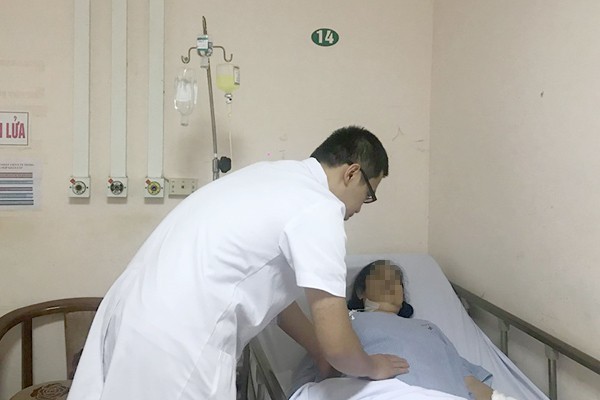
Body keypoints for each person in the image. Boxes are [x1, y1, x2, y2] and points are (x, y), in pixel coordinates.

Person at [67, 126, 409, 400]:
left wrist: (317, 350)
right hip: (180, 343)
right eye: (368, 195)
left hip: (135, 316)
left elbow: (271, 291)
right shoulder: (320, 207)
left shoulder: (270, 177)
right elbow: (338, 346)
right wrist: (372, 366)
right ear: (352, 173)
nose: (360, 208)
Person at [292, 260, 516, 400]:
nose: (390, 283)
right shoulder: (345, 320)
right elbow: (323, 368)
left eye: (397, 281)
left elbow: (467, 380)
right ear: (360, 292)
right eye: (380, 277)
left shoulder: (428, 328)